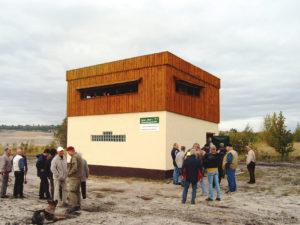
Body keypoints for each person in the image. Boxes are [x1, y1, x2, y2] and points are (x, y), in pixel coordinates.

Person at [66, 146, 82, 211]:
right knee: (77, 191)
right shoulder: (78, 156)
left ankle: (73, 206)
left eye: (68, 152)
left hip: (74, 177)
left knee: (72, 191)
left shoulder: (74, 157)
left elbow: (74, 168)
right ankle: (78, 205)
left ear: (70, 151)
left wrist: (69, 173)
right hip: (78, 176)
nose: (68, 154)